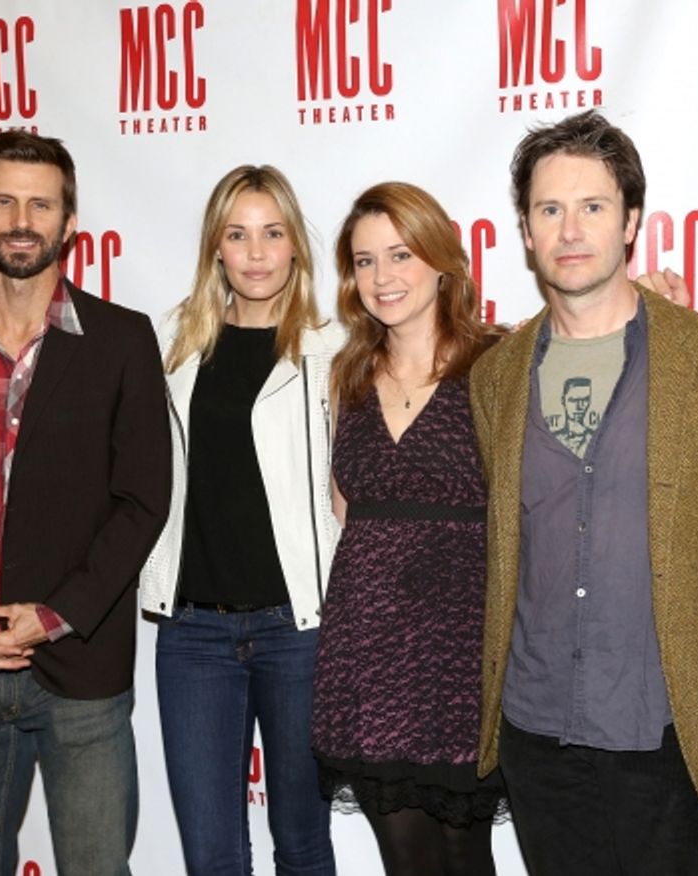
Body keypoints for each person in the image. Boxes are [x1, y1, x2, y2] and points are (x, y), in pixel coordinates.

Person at [469, 109, 698, 876]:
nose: (570, 229)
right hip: (536, 731)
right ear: (524, 231)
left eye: (592, 206)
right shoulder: (495, 376)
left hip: (666, 735)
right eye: (548, 209)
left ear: (632, 221)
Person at [0, 130, 170, 874]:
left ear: (69, 222)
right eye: (4, 200)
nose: (22, 218)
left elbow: (144, 500)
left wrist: (51, 617)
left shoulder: (123, 341)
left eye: (40, 203)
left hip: (80, 676)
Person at [139, 165, 341, 875]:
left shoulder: (333, 353)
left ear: (295, 248)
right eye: (238, 234)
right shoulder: (174, 348)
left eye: (272, 233)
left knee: (304, 844)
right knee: (212, 856)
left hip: (299, 634)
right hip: (193, 636)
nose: (256, 252)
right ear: (215, 249)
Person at [311, 181, 505, 876]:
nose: (383, 277)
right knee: (407, 860)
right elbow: (344, 508)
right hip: (370, 652)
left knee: (465, 853)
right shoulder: (348, 373)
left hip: (461, 646)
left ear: (441, 258)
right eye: (365, 261)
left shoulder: (497, 363)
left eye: (400, 255)